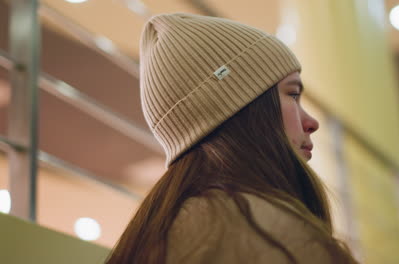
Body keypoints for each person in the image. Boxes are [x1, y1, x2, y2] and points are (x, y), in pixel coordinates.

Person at [105, 13, 358, 264]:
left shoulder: (158, 227)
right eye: (292, 94)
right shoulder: (263, 230)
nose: (311, 123)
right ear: (245, 110)